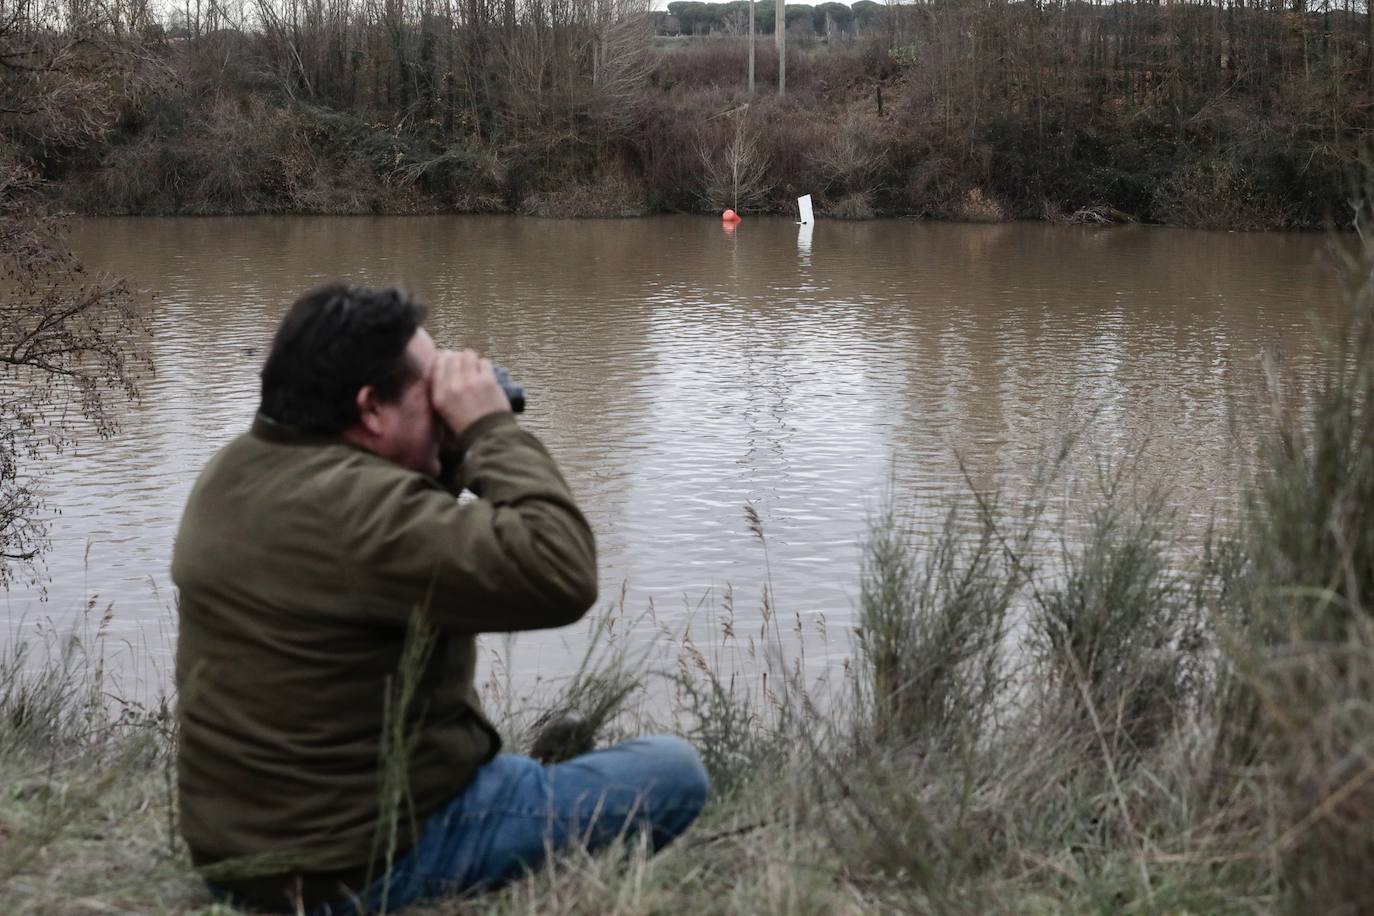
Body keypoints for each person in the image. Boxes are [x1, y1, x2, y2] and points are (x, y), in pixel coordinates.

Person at [172, 284, 709, 914]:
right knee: (673, 772)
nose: (446, 403)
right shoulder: (364, 518)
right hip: (357, 869)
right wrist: (487, 429)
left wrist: (437, 450)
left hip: (240, 856)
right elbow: (560, 568)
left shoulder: (238, 468)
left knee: (538, 766)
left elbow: (386, 530)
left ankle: (531, 786)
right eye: (431, 392)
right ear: (371, 408)